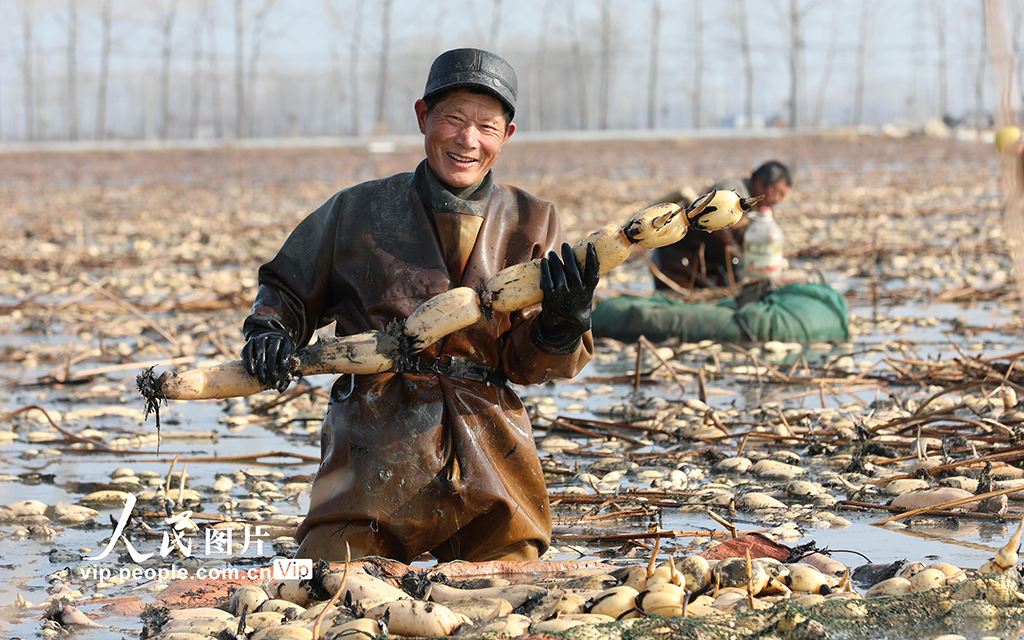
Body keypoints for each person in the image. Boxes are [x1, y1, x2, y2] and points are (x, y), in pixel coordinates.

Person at [239, 48, 599, 564]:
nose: (467, 140)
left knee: (511, 587)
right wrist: (270, 332)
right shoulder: (356, 211)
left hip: (490, 448)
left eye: (486, 126)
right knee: (330, 578)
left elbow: (532, 365)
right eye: (453, 119)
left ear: (507, 137)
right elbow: (288, 287)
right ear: (423, 117)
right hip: (373, 439)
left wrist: (565, 322)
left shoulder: (534, 221)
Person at [651, 161, 792, 290]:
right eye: (775, 191)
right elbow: (725, 241)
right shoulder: (733, 194)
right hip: (679, 258)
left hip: (709, 260)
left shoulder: (759, 208)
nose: (777, 199)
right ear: (759, 181)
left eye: (782, 195)